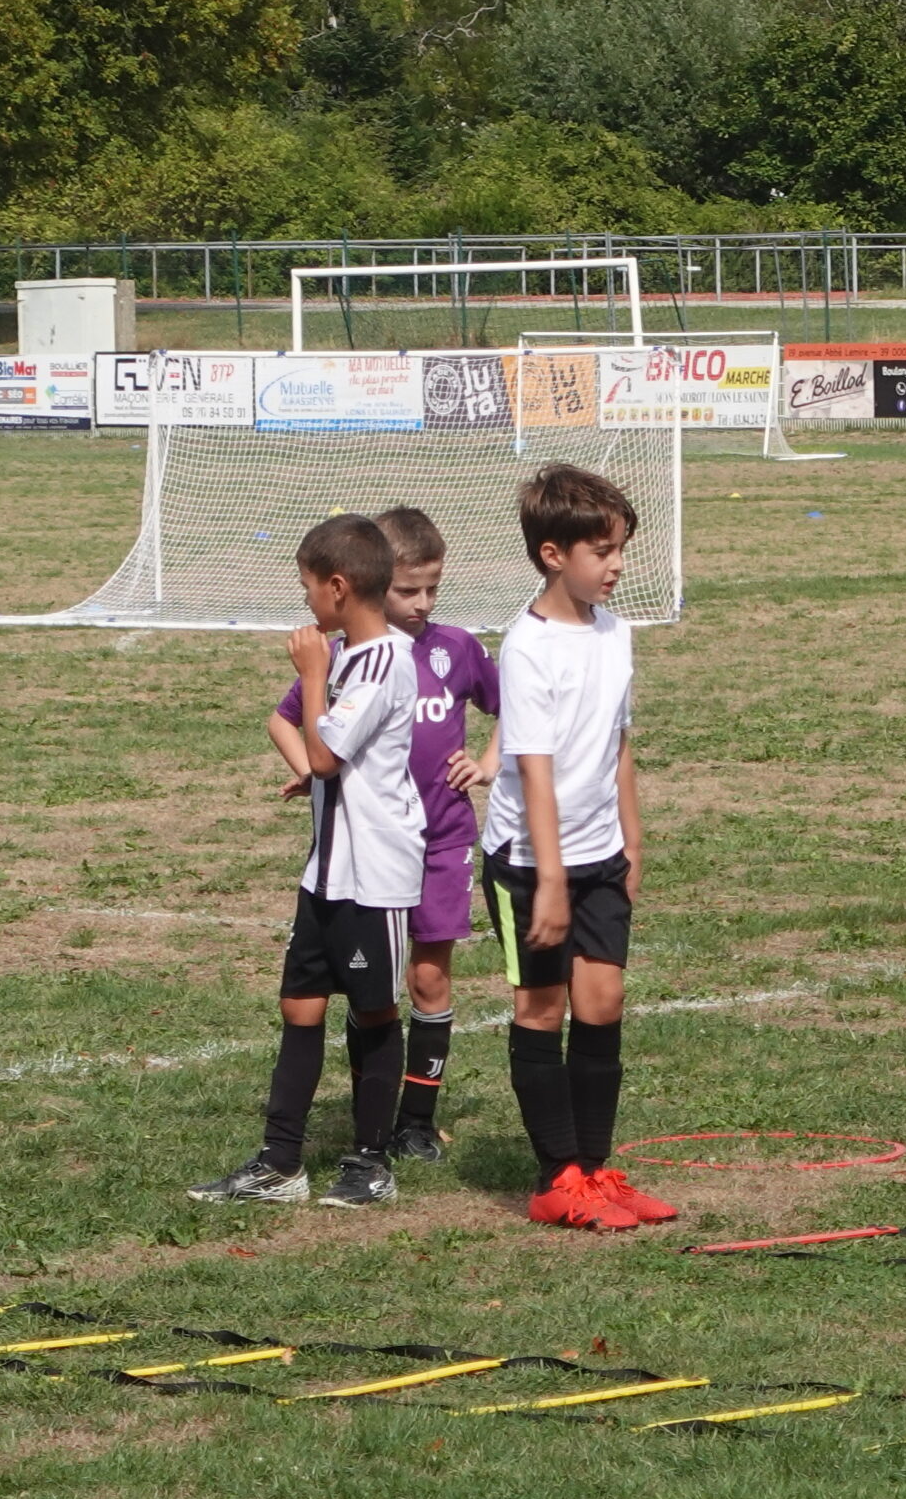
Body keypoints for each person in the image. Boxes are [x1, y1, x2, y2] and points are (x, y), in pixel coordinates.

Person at [192, 515, 426, 1209]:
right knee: (299, 1006)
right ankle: (280, 1161)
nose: (305, 606)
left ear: (338, 586)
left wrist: (314, 674)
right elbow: (320, 758)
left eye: (307, 590)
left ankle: (369, 1159)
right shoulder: (351, 656)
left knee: (374, 1013)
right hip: (325, 870)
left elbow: (326, 750)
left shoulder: (383, 659)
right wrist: (313, 769)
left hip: (374, 873)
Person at [270, 508, 497, 1163]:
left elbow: (507, 707)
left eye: (432, 589)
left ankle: (412, 1122)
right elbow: (296, 729)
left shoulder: (443, 651)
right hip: (357, 852)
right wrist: (314, 779)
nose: (423, 604)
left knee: (423, 982)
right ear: (374, 583)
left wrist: (484, 761)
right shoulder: (351, 657)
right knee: (361, 987)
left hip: (432, 840)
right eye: (408, 589)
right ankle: (354, 1129)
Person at [482, 465, 676, 1232]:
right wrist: (553, 879)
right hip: (532, 861)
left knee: (604, 1001)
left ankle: (595, 1169)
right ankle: (554, 1179)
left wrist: (633, 838)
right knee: (541, 1007)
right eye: (603, 550)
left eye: (621, 547)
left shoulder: (616, 631)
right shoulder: (526, 649)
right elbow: (533, 769)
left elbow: (619, 743)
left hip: (598, 852)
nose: (618, 564)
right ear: (553, 554)